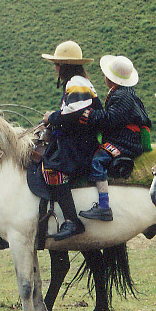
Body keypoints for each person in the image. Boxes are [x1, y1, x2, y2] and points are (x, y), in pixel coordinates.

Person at [41, 40, 102, 240]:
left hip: (81, 144)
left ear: (65, 66)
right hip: (78, 140)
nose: (55, 69)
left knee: (51, 167)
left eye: (57, 65)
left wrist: (51, 117)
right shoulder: (77, 82)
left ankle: (72, 221)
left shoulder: (76, 83)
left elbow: (71, 116)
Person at [79, 55, 152, 221]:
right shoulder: (127, 93)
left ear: (110, 78)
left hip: (125, 140)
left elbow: (112, 119)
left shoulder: (121, 96)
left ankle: (104, 206)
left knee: (97, 160)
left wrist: (90, 116)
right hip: (128, 137)